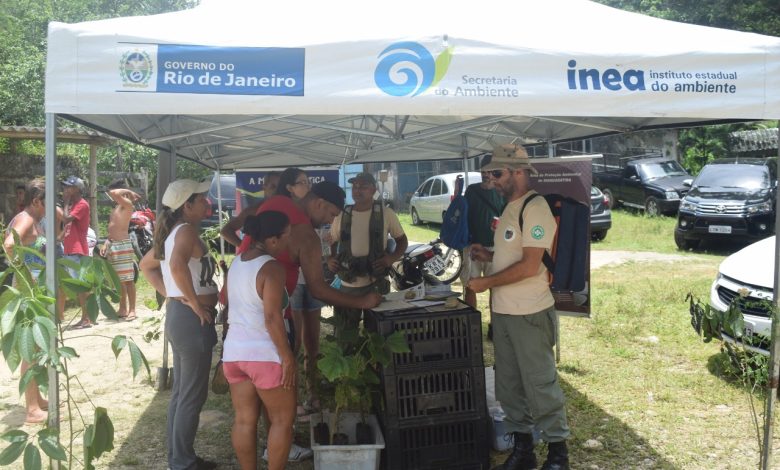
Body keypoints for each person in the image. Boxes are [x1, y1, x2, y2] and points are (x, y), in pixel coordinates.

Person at [467, 145, 570, 470]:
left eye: (497, 174)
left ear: (518, 172)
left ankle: (557, 455)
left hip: (529, 312)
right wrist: (489, 256)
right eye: (488, 174)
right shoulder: (510, 207)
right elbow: (513, 256)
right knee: (509, 387)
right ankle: (523, 450)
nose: (492, 180)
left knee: (539, 383)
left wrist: (486, 283)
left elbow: (529, 267)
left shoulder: (534, 207)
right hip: (505, 314)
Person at [139, 179, 218, 470]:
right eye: (202, 199)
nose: (207, 202)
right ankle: (183, 462)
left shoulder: (175, 231)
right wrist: (195, 303)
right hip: (191, 319)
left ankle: (179, 458)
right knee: (191, 395)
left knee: (183, 393)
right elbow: (175, 266)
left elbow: (147, 266)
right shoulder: (184, 232)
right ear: (188, 205)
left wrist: (174, 295)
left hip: (180, 315)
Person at [223, 211, 295, 470]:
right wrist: (287, 357)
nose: (290, 241)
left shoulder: (237, 262)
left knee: (244, 420)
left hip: (234, 354)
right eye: (287, 235)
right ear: (273, 240)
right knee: (282, 420)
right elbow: (272, 317)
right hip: (264, 354)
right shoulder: (272, 267)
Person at [328, 172, 408, 337]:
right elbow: (332, 242)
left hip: (376, 283)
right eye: (355, 186)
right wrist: (331, 258)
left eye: (363, 186)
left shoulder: (386, 213)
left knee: (378, 335)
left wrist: (391, 259)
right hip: (348, 285)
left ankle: (375, 364)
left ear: (373, 189)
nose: (357, 190)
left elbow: (402, 241)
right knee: (346, 334)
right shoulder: (342, 215)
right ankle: (350, 361)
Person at [276, 168, 326, 416]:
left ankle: (313, 393)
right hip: (293, 284)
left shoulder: (311, 212)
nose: (307, 185)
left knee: (313, 343)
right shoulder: (284, 214)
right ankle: (291, 400)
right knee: (293, 343)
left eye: (308, 182)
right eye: (302, 182)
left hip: (312, 282)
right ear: (289, 188)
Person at [3, 178, 49, 424]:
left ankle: (38, 398)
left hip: (35, 293)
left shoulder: (32, 218)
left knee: (37, 348)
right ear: (36, 201)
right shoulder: (26, 218)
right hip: (27, 295)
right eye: (48, 203)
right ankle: (31, 408)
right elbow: (9, 245)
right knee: (30, 351)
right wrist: (26, 276)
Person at [100, 179, 142, 320]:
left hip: (123, 245)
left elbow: (113, 192)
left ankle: (133, 310)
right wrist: (107, 242)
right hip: (113, 244)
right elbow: (113, 228)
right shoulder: (117, 207)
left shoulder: (127, 205)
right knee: (119, 280)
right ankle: (123, 308)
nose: (110, 196)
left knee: (128, 280)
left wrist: (129, 191)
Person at [59, 176, 91, 327]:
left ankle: (86, 318)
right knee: (78, 286)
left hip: (76, 250)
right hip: (70, 249)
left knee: (80, 286)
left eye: (68, 187)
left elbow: (66, 220)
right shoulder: (75, 204)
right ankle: (86, 317)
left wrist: (65, 203)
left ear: (77, 189)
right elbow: (67, 228)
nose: (65, 190)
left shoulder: (82, 205)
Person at [220, 171, 280, 247]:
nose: (277, 191)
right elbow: (226, 231)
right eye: (273, 187)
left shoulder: (288, 208)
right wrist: (245, 248)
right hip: (260, 257)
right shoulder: (253, 211)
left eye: (280, 187)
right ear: (264, 186)